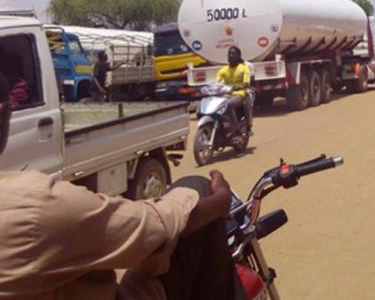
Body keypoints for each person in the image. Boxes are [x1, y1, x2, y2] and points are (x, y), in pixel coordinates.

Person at [0, 73, 246, 299]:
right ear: (4, 115)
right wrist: (220, 202)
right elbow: (156, 225)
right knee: (196, 187)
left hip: (232, 96)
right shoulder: (35, 204)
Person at [215, 46, 253, 137]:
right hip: (227, 94)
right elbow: (216, 82)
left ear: (238, 56)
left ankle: (237, 129)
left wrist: (239, 86)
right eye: (229, 54)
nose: (230, 56)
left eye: (233, 54)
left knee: (229, 104)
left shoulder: (244, 68)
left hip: (240, 94)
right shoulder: (223, 70)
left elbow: (246, 83)